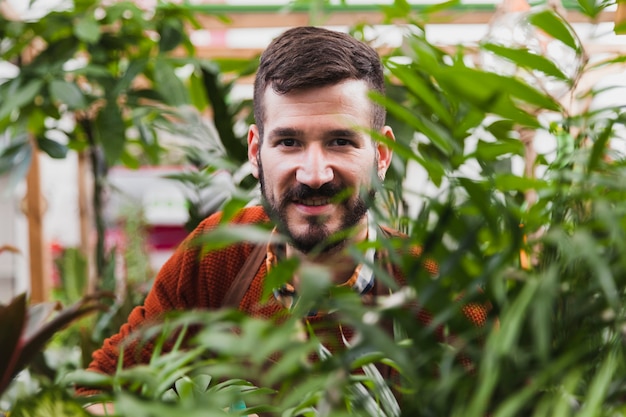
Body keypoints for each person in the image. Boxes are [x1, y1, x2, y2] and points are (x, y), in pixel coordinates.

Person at [79, 26, 487, 414]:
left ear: (381, 156)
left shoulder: (440, 293)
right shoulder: (216, 256)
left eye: (340, 141)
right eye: (289, 142)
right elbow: (93, 391)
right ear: (256, 152)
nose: (314, 174)